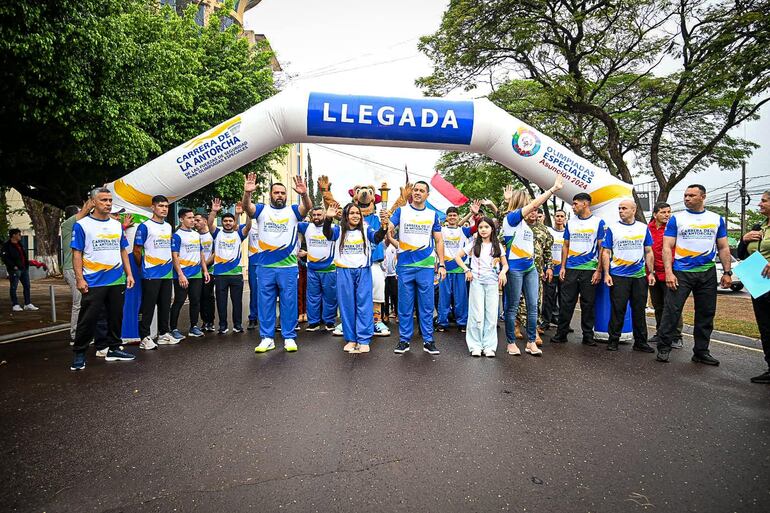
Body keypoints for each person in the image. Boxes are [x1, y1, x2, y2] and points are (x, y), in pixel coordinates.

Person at [656, 184, 732, 365]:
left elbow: (723, 247)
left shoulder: (716, 219)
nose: (687, 198)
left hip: (707, 272)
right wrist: (669, 272)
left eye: (691, 195)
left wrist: (727, 272)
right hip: (681, 272)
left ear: (703, 197)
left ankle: (701, 351)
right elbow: (667, 247)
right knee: (671, 311)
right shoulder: (677, 219)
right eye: (685, 195)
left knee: (706, 313)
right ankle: (664, 348)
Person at [242, 172, 313, 353]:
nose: (279, 195)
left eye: (282, 193)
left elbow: (308, 208)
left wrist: (304, 194)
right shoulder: (261, 209)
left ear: (286, 195)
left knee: (289, 303)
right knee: (266, 303)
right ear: (270, 194)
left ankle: (289, 337)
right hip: (265, 266)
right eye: (276, 192)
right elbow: (247, 208)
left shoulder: (293, 211)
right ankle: (267, 338)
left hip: (288, 267)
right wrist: (247, 193)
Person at [69, 188, 136, 370]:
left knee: (115, 316)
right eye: (103, 200)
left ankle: (113, 348)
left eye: (109, 200)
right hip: (93, 281)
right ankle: (80, 353)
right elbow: (77, 253)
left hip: (116, 280)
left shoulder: (116, 225)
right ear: (92, 202)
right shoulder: (82, 225)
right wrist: (79, 279)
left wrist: (129, 274)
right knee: (88, 318)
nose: (108, 203)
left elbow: (123, 250)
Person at [502, 177, 563, 356]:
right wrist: (552, 189)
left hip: (530, 269)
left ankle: (530, 342)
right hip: (514, 269)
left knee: (533, 306)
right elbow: (535, 205)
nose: (531, 207)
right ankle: (511, 342)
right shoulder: (511, 219)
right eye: (527, 204)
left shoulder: (527, 226)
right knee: (512, 307)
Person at [386, 181, 446, 355]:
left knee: (426, 305)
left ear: (427, 194)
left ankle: (428, 341)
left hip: (426, 266)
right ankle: (404, 340)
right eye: (415, 190)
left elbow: (439, 240)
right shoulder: (401, 211)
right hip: (405, 265)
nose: (418, 192)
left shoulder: (432, 214)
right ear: (411, 192)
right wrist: (386, 222)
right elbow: (389, 227)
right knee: (405, 305)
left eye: (422, 190)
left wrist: (441, 264)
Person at [323, 202, 388, 352]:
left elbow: (376, 238)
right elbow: (327, 234)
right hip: (344, 271)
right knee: (346, 306)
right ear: (345, 216)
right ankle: (351, 339)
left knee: (364, 305)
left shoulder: (366, 229)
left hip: (363, 271)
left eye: (357, 213)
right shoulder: (339, 230)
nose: (355, 216)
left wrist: (384, 227)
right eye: (352, 213)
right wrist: (328, 219)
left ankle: (364, 339)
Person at [601, 199, 656, 352]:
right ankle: (613, 340)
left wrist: (650, 273)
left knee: (639, 309)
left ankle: (641, 342)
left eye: (624, 208)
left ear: (634, 210)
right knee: (618, 309)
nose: (621, 211)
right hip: (619, 275)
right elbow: (606, 252)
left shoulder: (643, 228)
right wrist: (606, 274)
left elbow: (648, 251)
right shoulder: (612, 228)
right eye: (619, 208)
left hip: (639, 276)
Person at [551, 192, 605, 346]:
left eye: (575, 204)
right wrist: (563, 266)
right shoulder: (571, 223)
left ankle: (588, 336)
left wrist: (599, 270)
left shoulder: (598, 222)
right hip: (571, 269)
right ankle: (561, 333)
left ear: (585, 204)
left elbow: (602, 248)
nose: (573, 207)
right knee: (566, 302)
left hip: (590, 269)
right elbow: (566, 245)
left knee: (588, 303)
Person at [455, 217, 508, 357]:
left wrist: (503, 272)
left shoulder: (498, 246)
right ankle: (475, 346)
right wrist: (467, 270)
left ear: (492, 229)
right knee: (476, 314)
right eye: (480, 227)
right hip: (476, 282)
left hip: (492, 283)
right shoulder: (473, 244)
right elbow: (458, 257)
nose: (483, 230)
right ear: (477, 230)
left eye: (486, 227)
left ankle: (489, 346)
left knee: (491, 315)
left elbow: (505, 264)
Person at [134, 195, 175, 350]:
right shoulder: (145, 226)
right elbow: (137, 251)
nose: (164, 209)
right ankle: (144, 337)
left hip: (167, 273)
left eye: (166, 206)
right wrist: (144, 267)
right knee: (148, 307)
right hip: (151, 273)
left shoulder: (169, 226)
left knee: (165, 305)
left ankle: (164, 333)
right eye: (161, 206)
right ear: (153, 207)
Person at [738, 190, 770, 383]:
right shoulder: (760, 227)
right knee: (766, 327)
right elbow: (742, 254)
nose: (760, 204)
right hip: (759, 284)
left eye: (764, 201)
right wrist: (744, 239)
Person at [207, 199, 251, 334]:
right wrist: (214, 211)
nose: (227, 223)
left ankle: (238, 325)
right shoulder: (217, 233)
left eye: (230, 221)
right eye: (225, 221)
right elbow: (209, 223)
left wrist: (248, 211)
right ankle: (222, 326)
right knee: (221, 303)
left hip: (236, 274)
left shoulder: (239, 234)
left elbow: (248, 226)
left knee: (237, 302)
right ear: (222, 222)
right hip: (220, 274)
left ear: (233, 223)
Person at [436, 203, 478, 333]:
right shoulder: (441, 230)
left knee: (461, 298)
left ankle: (462, 322)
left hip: (460, 269)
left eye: (455, 215)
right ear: (446, 218)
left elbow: (476, 227)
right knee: (444, 298)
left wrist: (474, 214)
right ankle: (442, 322)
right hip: (445, 268)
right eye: (450, 215)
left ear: (458, 217)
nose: (452, 217)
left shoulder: (463, 231)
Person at [647, 202, 684, 349]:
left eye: (669, 212)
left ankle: (676, 336)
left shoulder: (673, 228)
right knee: (658, 305)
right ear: (655, 214)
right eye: (663, 212)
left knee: (673, 306)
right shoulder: (647, 229)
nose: (667, 215)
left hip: (670, 272)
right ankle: (660, 332)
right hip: (653, 273)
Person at [515, 206, 553, 345]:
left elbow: (548, 251)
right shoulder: (518, 226)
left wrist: (549, 267)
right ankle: (525, 329)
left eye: (536, 211)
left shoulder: (544, 230)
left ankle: (527, 326)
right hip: (518, 270)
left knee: (536, 301)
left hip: (536, 271)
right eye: (530, 210)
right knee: (520, 301)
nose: (533, 213)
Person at [170, 209, 210, 339]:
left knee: (195, 301)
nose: (192, 220)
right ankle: (173, 329)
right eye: (189, 218)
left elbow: (201, 254)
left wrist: (204, 270)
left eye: (193, 218)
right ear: (181, 219)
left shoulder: (196, 235)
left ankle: (194, 327)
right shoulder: (177, 235)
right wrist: (180, 274)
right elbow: (174, 256)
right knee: (179, 301)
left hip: (196, 274)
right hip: (183, 275)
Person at [298, 206, 337, 331]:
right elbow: (292, 222)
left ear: (325, 215)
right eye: (314, 215)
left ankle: (329, 321)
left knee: (329, 297)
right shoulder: (306, 227)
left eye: (319, 215)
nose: (316, 217)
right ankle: (313, 322)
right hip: (312, 269)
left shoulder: (334, 228)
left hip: (329, 269)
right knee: (313, 297)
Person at [61, 201, 92, 342]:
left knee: (86, 302)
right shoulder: (67, 224)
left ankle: (84, 333)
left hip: (78, 268)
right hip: (71, 269)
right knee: (78, 303)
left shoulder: (80, 228)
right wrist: (94, 198)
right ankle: (76, 335)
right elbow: (85, 211)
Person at [2, 228, 44, 312]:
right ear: (13, 235)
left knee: (27, 286)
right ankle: (15, 304)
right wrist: (13, 266)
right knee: (14, 287)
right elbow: (5, 258)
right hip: (15, 269)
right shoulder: (7, 246)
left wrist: (26, 264)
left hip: (24, 268)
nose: (20, 236)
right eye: (18, 234)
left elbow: (23, 255)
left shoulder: (20, 244)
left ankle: (27, 303)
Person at [541, 209, 567, 331]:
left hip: (563, 270)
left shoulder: (568, 233)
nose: (559, 218)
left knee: (564, 299)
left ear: (565, 218)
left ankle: (563, 324)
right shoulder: (548, 231)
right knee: (548, 298)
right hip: (550, 270)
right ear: (553, 217)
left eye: (562, 216)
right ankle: (545, 321)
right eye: (557, 216)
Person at [195, 213, 216, 332]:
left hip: (210, 270)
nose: (195, 223)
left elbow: (215, 252)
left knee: (208, 296)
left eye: (198, 220)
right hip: (196, 271)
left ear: (204, 221)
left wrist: (205, 265)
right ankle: (203, 321)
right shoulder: (194, 235)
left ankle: (210, 321)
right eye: (194, 220)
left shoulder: (212, 235)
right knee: (199, 297)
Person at [246, 214, 260, 331]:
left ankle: (266, 316)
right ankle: (253, 317)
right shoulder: (251, 225)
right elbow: (236, 228)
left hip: (267, 261)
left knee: (269, 291)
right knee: (254, 291)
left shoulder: (269, 225)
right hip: (254, 261)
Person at [383, 242, 398, 321]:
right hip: (384, 275)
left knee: (395, 295)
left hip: (393, 274)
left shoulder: (394, 245)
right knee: (385, 296)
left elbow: (398, 258)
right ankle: (386, 315)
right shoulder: (382, 245)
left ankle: (397, 314)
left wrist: (397, 272)